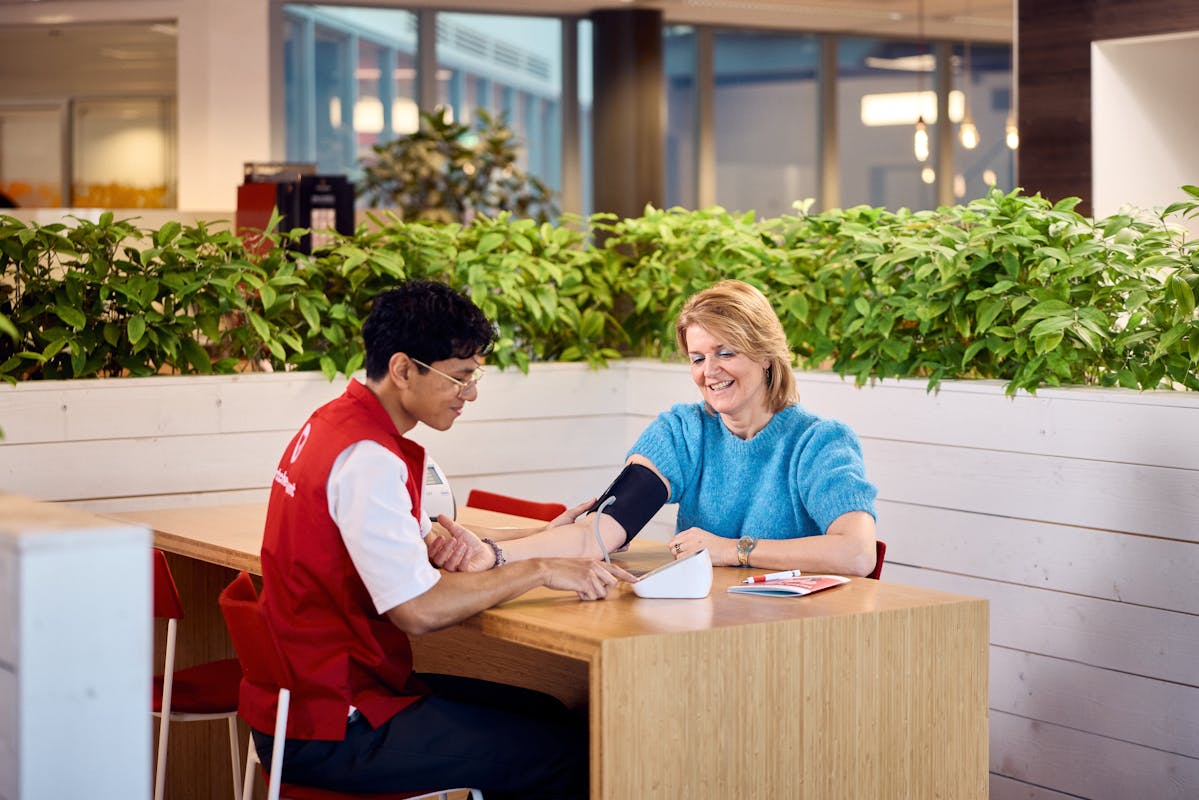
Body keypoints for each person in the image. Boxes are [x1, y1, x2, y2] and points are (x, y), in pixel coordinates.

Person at [246, 279, 634, 800]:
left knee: (547, 711)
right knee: (563, 752)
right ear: (404, 369)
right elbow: (418, 611)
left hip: (311, 697)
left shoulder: (333, 426)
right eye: (460, 377)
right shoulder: (368, 459)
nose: (470, 393)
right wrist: (540, 569)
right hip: (336, 724)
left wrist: (542, 537)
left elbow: (422, 543)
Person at [431, 279, 878, 577]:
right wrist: (495, 553)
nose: (710, 371)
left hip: (802, 635)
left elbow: (857, 553)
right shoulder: (682, 432)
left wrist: (732, 550)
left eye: (726, 352)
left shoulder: (819, 442)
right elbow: (601, 533)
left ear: (765, 355)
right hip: (707, 621)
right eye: (698, 358)